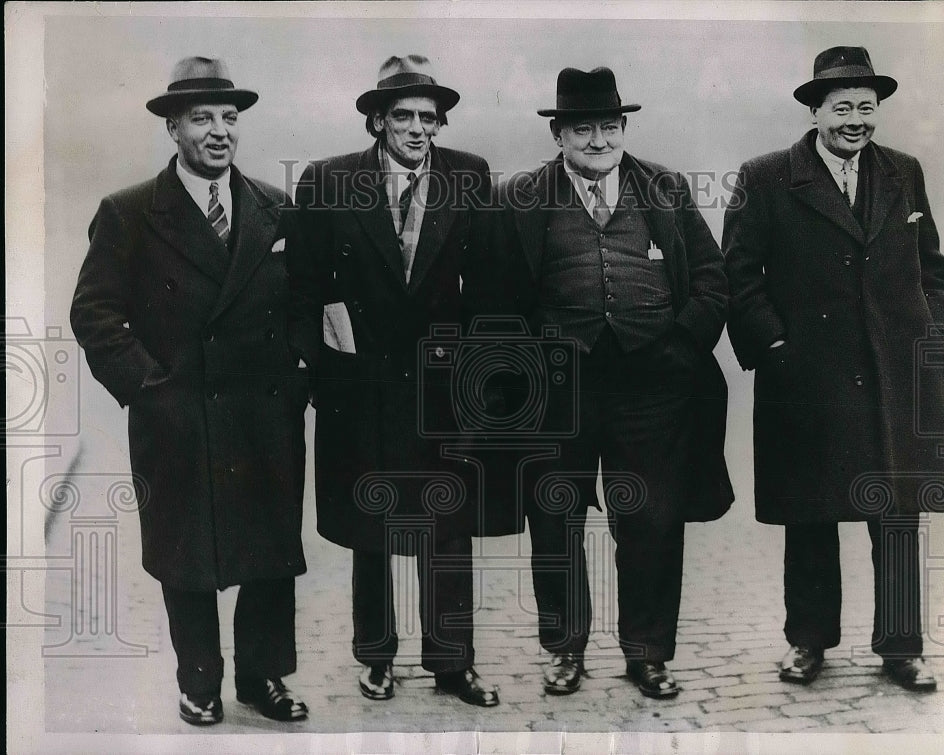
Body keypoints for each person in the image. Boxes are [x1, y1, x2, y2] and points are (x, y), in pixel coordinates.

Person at [70, 57, 310, 724]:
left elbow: (302, 304)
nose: (219, 131)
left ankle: (263, 679)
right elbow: (93, 312)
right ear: (172, 128)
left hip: (264, 410)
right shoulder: (129, 213)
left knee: (270, 550)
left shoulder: (274, 205)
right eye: (201, 118)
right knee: (187, 553)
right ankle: (198, 681)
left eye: (230, 118)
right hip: (179, 411)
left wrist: (298, 376)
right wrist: (149, 387)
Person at [492, 66, 733, 699]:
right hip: (558, 385)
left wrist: (681, 347)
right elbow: (497, 298)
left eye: (608, 126)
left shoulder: (665, 189)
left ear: (623, 128)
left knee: (651, 516)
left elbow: (711, 278)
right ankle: (565, 649)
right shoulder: (523, 197)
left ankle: (648, 653)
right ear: (559, 135)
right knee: (556, 517)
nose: (598, 140)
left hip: (653, 385)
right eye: (582, 129)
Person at [723, 46, 944, 691]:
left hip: (892, 377)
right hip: (808, 380)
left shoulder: (904, 171)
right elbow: (739, 277)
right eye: (842, 106)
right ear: (814, 110)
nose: (856, 119)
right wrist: (775, 352)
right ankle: (809, 643)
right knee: (811, 515)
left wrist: (929, 328)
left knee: (898, 513)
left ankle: (902, 648)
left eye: (867, 106)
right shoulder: (766, 176)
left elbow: (931, 266)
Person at [288, 54, 500, 707]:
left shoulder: (469, 176)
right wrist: (325, 375)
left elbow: (489, 284)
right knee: (371, 526)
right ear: (378, 120)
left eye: (428, 117)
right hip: (364, 386)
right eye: (403, 115)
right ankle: (375, 657)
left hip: (443, 385)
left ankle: (452, 662)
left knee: (449, 524)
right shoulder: (328, 181)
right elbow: (304, 287)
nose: (417, 128)